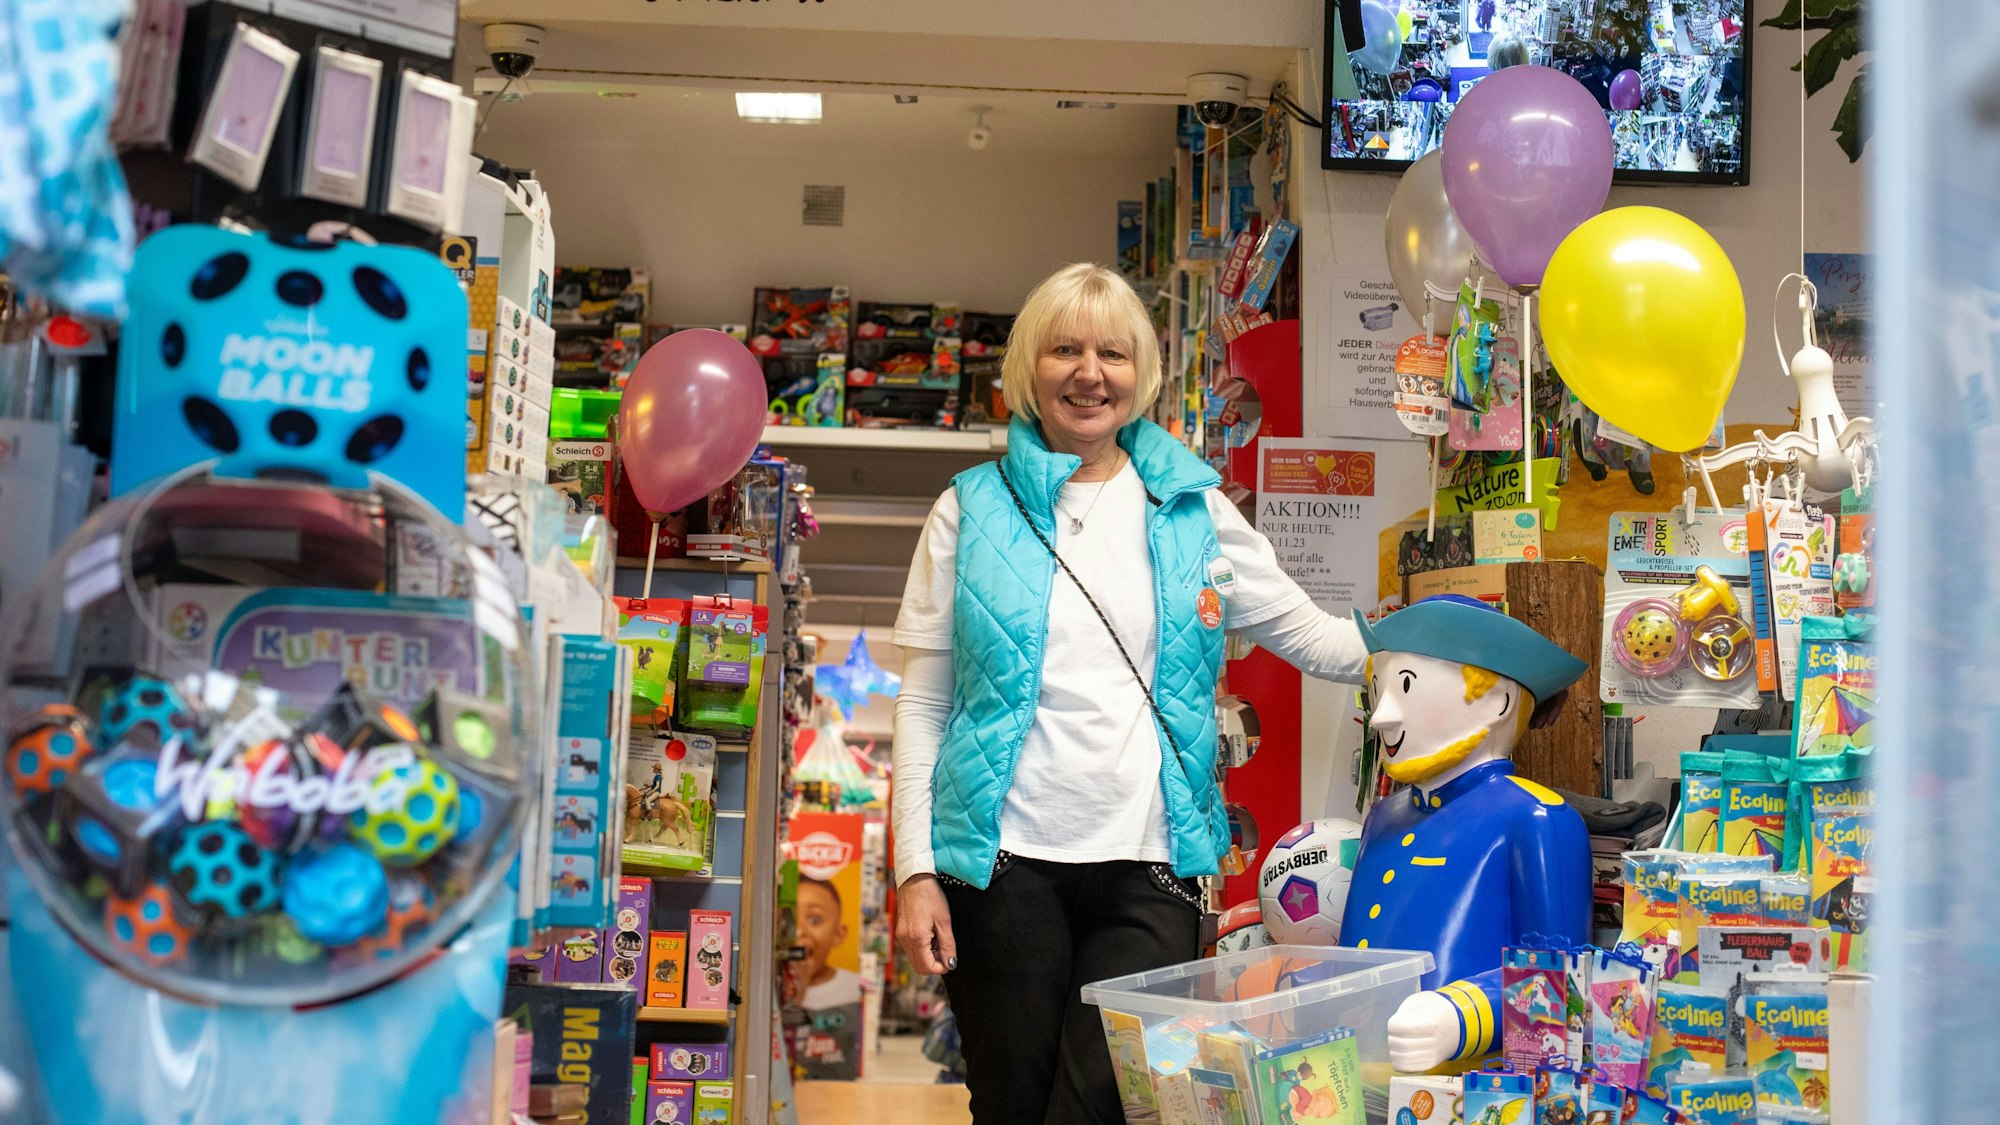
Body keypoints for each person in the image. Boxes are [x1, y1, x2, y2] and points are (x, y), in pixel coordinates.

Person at [891, 262, 1369, 1122]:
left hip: (1151, 864)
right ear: (1029, 368)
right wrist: (915, 872)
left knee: (1108, 1106)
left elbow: (1315, 638)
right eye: (1064, 350)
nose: (1089, 374)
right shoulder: (967, 510)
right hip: (1000, 867)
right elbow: (924, 708)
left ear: (1141, 372)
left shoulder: (1194, 509)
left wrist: (1440, 637)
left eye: (1112, 353)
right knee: (1010, 1104)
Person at [795, 877, 861, 1012]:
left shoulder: (854, 987)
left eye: (815, 920)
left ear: (838, 935)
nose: (799, 930)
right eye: (790, 918)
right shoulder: (771, 984)